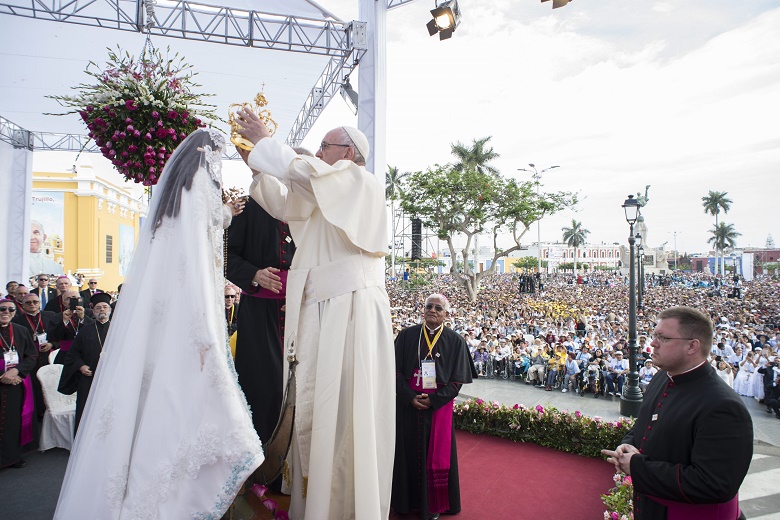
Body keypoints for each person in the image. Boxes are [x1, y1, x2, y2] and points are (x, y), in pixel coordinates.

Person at [54, 129, 263, 519]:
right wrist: (205, 332)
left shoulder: (170, 200)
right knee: (191, 412)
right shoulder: (200, 186)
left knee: (150, 401)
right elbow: (198, 267)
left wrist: (227, 214)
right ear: (206, 159)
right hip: (185, 321)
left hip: (159, 322)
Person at [237, 110, 394, 519]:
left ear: (349, 152)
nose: (320, 152)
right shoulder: (330, 191)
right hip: (324, 310)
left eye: (325, 146)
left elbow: (304, 174)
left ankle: (346, 506)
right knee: (321, 407)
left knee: (344, 411)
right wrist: (257, 161)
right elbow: (285, 202)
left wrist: (268, 142)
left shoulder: (360, 182)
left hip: (350, 310)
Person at [602, 306, 753, 520]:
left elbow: (714, 484)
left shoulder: (723, 406)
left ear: (692, 346)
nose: (652, 343)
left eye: (662, 338)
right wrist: (626, 446)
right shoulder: (661, 378)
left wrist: (637, 467)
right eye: (655, 335)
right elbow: (643, 427)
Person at [225, 182, 296, 456]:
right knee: (263, 389)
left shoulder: (311, 204)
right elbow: (227, 253)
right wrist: (254, 274)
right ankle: (262, 467)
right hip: (259, 313)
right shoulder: (247, 206)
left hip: (302, 311)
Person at [392, 294, 476, 520]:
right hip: (408, 407)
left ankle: (433, 505)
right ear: (423, 310)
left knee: (436, 454)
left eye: (438, 308)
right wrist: (409, 397)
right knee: (406, 453)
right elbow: (395, 371)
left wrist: (435, 399)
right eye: (429, 306)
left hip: (437, 409)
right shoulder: (407, 335)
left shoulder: (455, 341)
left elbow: (457, 381)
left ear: (446, 314)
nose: (432, 310)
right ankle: (404, 502)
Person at [57, 292, 112, 434]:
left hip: (112, 378)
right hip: (89, 378)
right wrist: (81, 366)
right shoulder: (85, 330)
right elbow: (72, 353)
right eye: (98, 308)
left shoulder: (118, 330)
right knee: (86, 410)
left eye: (105, 307)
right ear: (93, 311)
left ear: (110, 310)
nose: (102, 310)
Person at [0, 298, 37, 469]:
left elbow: (32, 355)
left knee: (13, 420)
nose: (6, 312)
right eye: (2, 309)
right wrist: (3, 374)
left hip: (16, 382)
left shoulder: (21, 331)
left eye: (11, 309)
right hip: (2, 380)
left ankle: (12, 456)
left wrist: (17, 372)